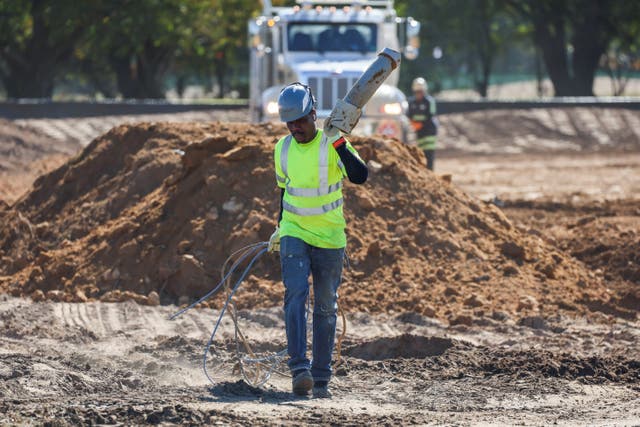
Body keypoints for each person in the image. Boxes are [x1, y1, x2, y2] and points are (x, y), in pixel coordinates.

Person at [268, 82, 368, 398]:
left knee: (326, 307)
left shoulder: (331, 143)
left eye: (301, 120)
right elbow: (285, 193)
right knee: (295, 294)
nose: (296, 127)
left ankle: (321, 377)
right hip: (294, 234)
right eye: (290, 123)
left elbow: (360, 175)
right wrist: (280, 227)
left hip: (329, 238)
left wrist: (340, 142)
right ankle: (299, 370)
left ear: (314, 113)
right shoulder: (281, 149)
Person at [407, 77, 438, 170]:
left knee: (429, 154)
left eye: (420, 91)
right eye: (417, 92)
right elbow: (409, 116)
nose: (419, 94)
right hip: (419, 132)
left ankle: (430, 174)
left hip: (429, 132)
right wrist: (414, 124)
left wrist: (420, 125)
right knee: (421, 155)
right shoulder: (412, 102)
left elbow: (430, 116)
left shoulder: (429, 102)